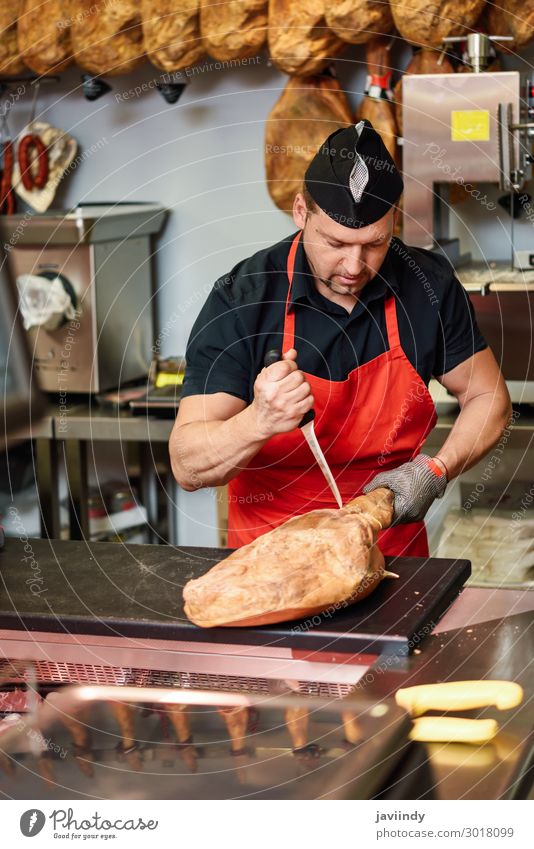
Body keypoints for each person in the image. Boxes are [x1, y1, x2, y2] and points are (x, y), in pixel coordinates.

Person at [170, 120, 511, 554]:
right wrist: (258, 421)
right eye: (335, 242)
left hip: (392, 557)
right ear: (300, 212)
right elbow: (187, 463)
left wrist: (435, 471)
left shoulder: (427, 285)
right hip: (270, 563)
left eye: (375, 243)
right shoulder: (243, 298)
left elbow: (489, 399)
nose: (354, 265)